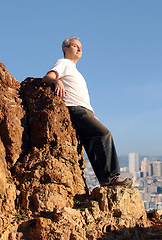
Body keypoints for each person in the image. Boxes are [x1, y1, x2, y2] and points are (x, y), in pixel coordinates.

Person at [42, 37, 132, 187]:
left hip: (85, 111)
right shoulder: (63, 63)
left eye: (81, 47)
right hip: (75, 109)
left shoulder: (76, 71)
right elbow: (48, 77)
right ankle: (111, 177)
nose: (79, 49)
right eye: (75, 46)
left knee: (91, 144)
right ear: (66, 48)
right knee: (104, 134)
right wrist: (56, 81)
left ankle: (105, 180)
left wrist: (92, 113)